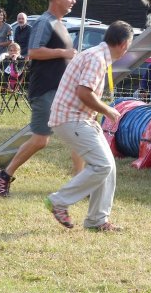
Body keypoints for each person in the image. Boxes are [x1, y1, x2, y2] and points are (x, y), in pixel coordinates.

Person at [0, 0, 82, 197]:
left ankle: (82, 184)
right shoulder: (45, 22)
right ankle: (5, 174)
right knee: (41, 139)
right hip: (45, 89)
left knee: (80, 133)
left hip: (62, 90)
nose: (74, 1)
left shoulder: (60, 23)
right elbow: (33, 52)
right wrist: (64, 52)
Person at [44, 20, 133, 231]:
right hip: (71, 118)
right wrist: (108, 110)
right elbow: (84, 92)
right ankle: (59, 201)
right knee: (102, 165)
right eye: (129, 45)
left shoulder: (96, 54)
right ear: (124, 44)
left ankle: (97, 221)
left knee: (108, 166)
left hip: (78, 118)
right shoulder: (97, 59)